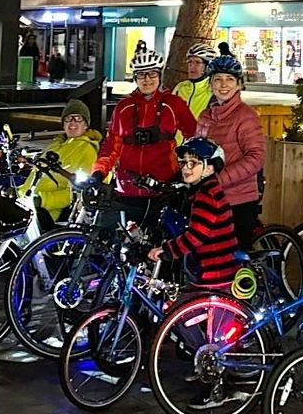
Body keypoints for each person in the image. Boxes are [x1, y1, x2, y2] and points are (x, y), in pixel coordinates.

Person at [88, 46, 196, 231]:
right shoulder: (124, 107)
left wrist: (188, 170)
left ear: (160, 75)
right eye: (141, 74)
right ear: (135, 77)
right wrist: (99, 171)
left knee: (157, 242)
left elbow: (193, 137)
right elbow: (111, 145)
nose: (147, 80)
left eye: (152, 74)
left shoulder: (174, 104)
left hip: (162, 188)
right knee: (121, 242)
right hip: (127, 187)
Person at [147, 136, 242, 288]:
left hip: (214, 272)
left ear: (209, 168)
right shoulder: (207, 189)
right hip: (217, 268)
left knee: (183, 310)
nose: (185, 167)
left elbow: (196, 236)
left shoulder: (206, 196)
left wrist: (166, 251)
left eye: (193, 163)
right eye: (183, 162)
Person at [195, 53, 267, 249]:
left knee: (232, 260)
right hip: (209, 198)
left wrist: (218, 179)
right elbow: (197, 152)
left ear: (239, 84)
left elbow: (255, 157)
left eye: (229, 79)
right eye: (217, 79)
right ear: (210, 84)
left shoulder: (246, 116)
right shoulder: (205, 115)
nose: (223, 84)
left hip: (238, 200)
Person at [25, 99, 102, 227]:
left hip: (49, 212)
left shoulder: (88, 150)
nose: (72, 122)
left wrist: (43, 200)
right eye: (68, 119)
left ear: (86, 125)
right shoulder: (55, 144)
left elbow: (81, 192)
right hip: (28, 200)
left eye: (78, 118)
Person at [173, 43, 215, 119]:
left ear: (208, 67)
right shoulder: (180, 87)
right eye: (190, 62)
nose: (192, 66)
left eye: (197, 62)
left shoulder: (212, 89)